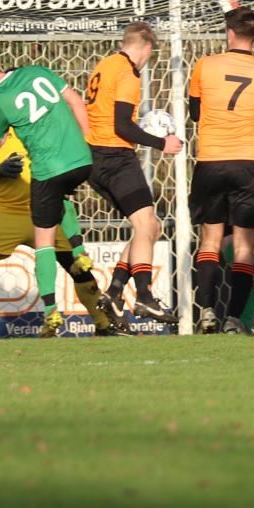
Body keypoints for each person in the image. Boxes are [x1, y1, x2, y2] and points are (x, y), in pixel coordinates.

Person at [0, 49, 98, 338]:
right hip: (82, 159)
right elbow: (76, 101)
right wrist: (86, 140)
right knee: (63, 197)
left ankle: (51, 313)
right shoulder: (37, 71)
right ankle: (79, 251)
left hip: (47, 170)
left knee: (44, 243)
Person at [0, 123, 118, 338]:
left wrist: (64, 181)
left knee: (77, 267)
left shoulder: (47, 126)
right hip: (3, 212)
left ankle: (103, 326)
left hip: (45, 206)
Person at [188, 6, 254, 334]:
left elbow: (195, 113)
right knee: (244, 245)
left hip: (211, 161)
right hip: (248, 163)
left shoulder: (205, 66)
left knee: (210, 240)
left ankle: (208, 310)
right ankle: (232, 318)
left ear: (229, 33)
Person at [84, 21, 184, 327]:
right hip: (114, 156)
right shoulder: (127, 71)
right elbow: (122, 126)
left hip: (95, 157)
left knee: (149, 227)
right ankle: (143, 295)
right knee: (145, 224)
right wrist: (161, 143)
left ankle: (114, 293)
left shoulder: (105, 64)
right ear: (146, 47)